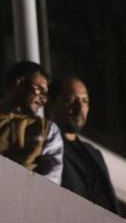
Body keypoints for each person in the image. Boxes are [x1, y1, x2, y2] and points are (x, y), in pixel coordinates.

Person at [48, 76, 120, 213]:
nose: (79, 107)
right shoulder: (45, 143)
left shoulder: (94, 153)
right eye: (71, 100)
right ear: (51, 103)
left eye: (84, 101)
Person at [0, 61, 63, 184]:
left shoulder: (47, 129)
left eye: (45, 95)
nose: (43, 100)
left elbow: (52, 180)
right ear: (20, 83)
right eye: (40, 91)